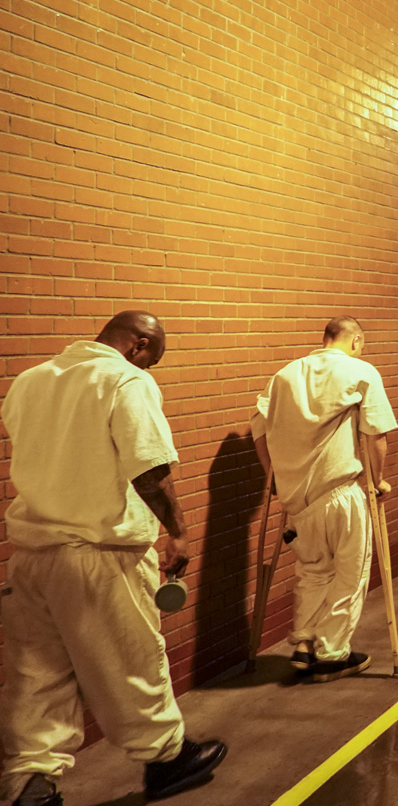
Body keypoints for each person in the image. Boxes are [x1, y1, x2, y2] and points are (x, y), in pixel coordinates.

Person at [0, 312, 228, 806]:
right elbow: (149, 470)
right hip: (102, 556)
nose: (152, 372)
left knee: (35, 674)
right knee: (133, 662)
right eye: (153, 361)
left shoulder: (30, 381)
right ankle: (167, 759)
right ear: (139, 345)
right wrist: (180, 533)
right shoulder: (126, 380)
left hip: (32, 557)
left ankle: (30, 783)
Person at [250, 316, 398, 683]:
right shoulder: (360, 371)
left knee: (313, 572)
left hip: (297, 501)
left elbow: (258, 427)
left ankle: (304, 644)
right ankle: (333, 653)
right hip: (342, 493)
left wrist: (273, 478)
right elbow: (376, 435)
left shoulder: (284, 376)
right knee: (350, 574)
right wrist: (378, 481)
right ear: (356, 340)